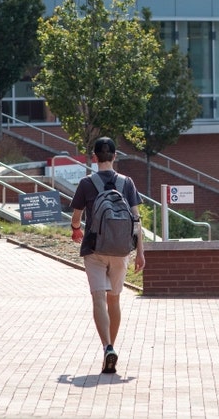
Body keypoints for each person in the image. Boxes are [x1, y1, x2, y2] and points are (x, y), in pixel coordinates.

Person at [70, 137, 145, 375]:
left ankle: (107, 348)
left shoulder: (86, 183)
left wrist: (75, 229)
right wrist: (140, 252)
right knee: (114, 299)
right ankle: (112, 347)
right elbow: (136, 221)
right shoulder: (127, 183)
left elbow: (76, 217)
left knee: (98, 298)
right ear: (115, 156)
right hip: (121, 250)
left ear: (94, 158)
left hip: (95, 249)